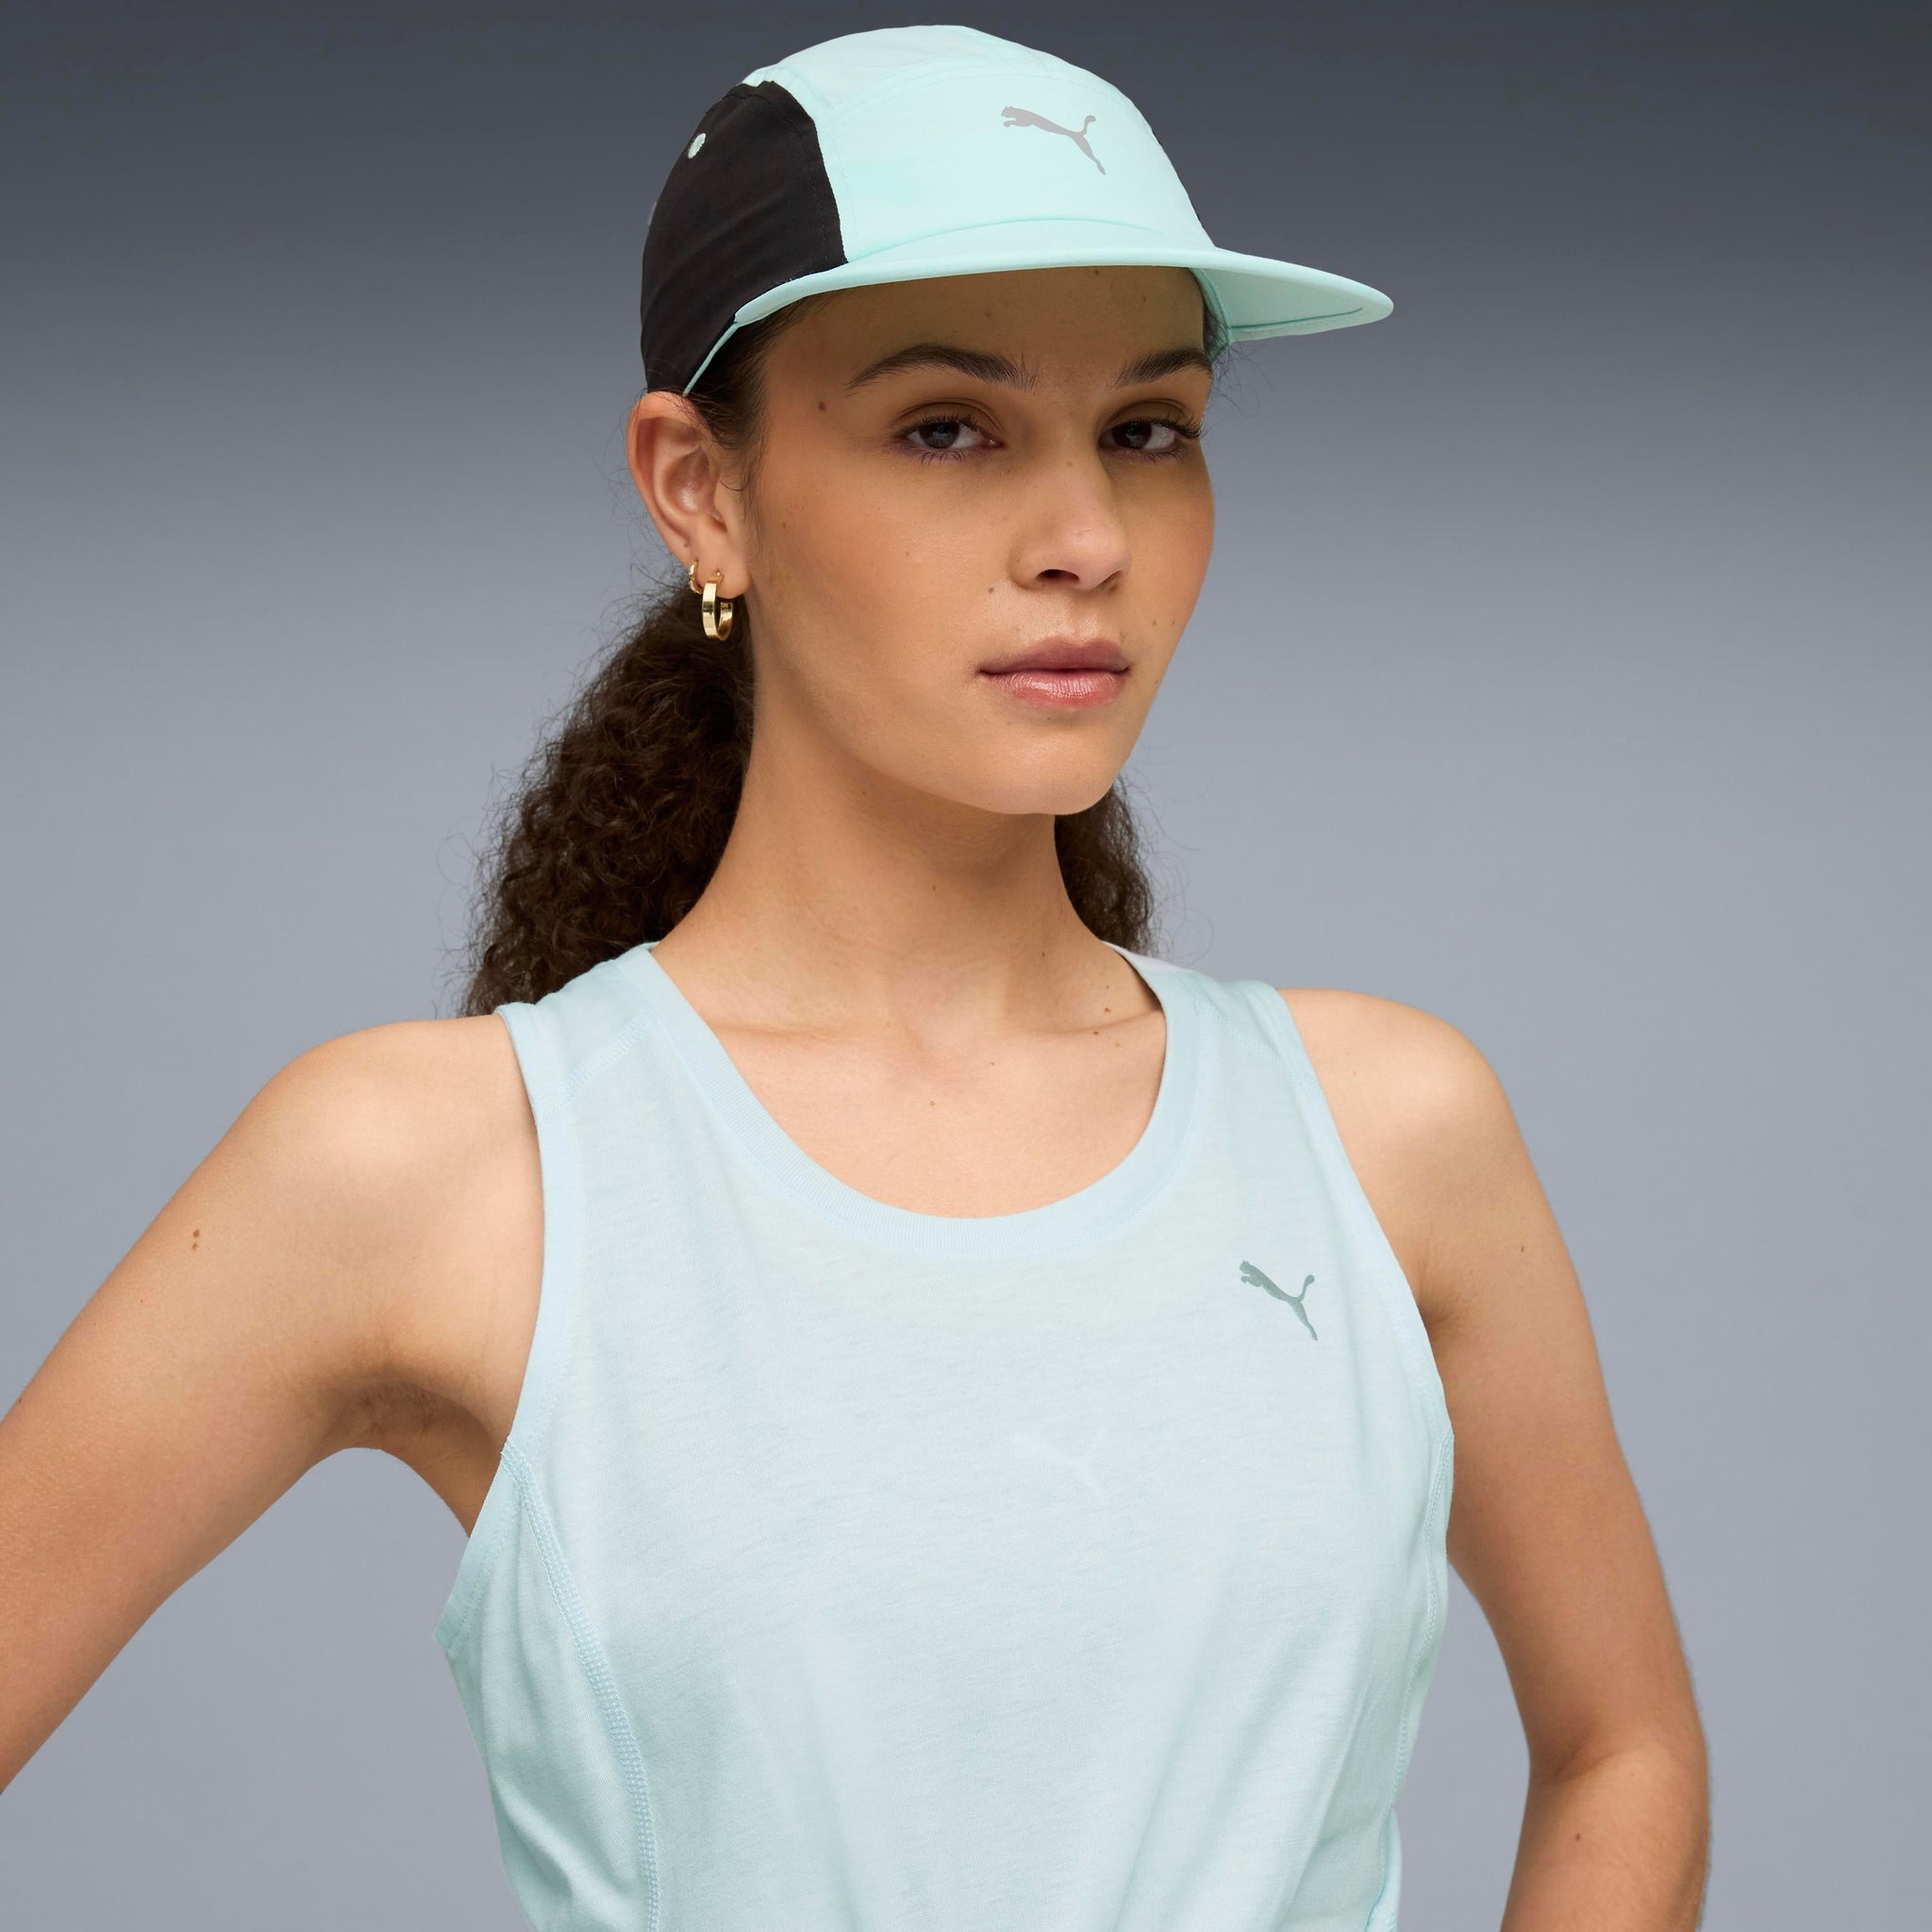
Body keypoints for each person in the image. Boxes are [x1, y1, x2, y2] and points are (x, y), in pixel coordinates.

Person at [0, 24, 1708, 1930]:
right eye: (947, 427)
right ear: (700, 491)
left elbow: (1622, 1746)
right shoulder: (442, 1169)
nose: (1086, 541)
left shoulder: (1386, 1138)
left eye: (1148, 429)